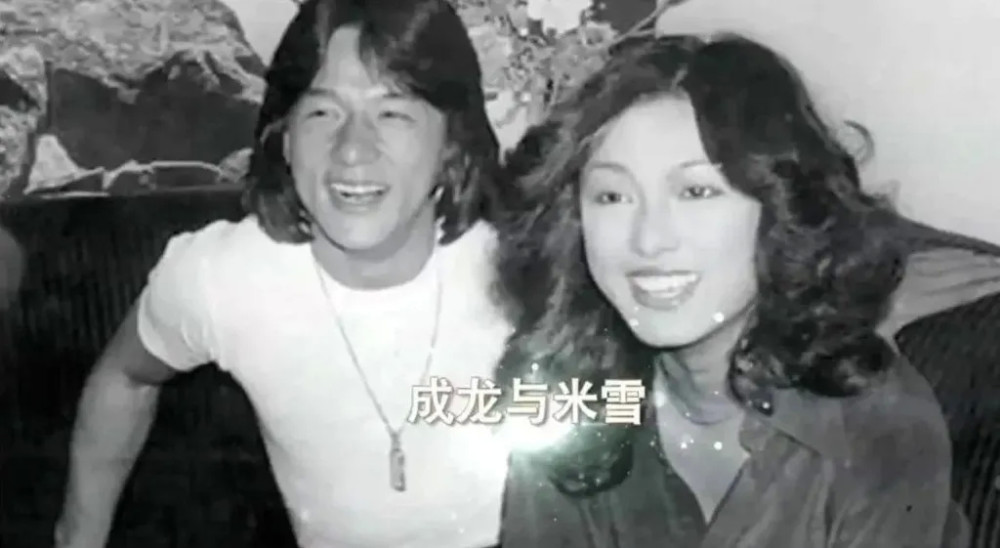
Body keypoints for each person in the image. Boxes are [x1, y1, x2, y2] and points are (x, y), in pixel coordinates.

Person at [494, 34, 990, 547]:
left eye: (696, 191)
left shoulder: (878, 425)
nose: (648, 240)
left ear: (779, 212)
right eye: (612, 196)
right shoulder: (568, 399)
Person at [53, 1, 511, 547]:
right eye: (322, 113)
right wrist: (77, 537)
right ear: (285, 137)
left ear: (452, 143)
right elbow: (125, 376)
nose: (353, 150)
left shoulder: (526, 263)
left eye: (393, 113)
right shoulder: (224, 277)